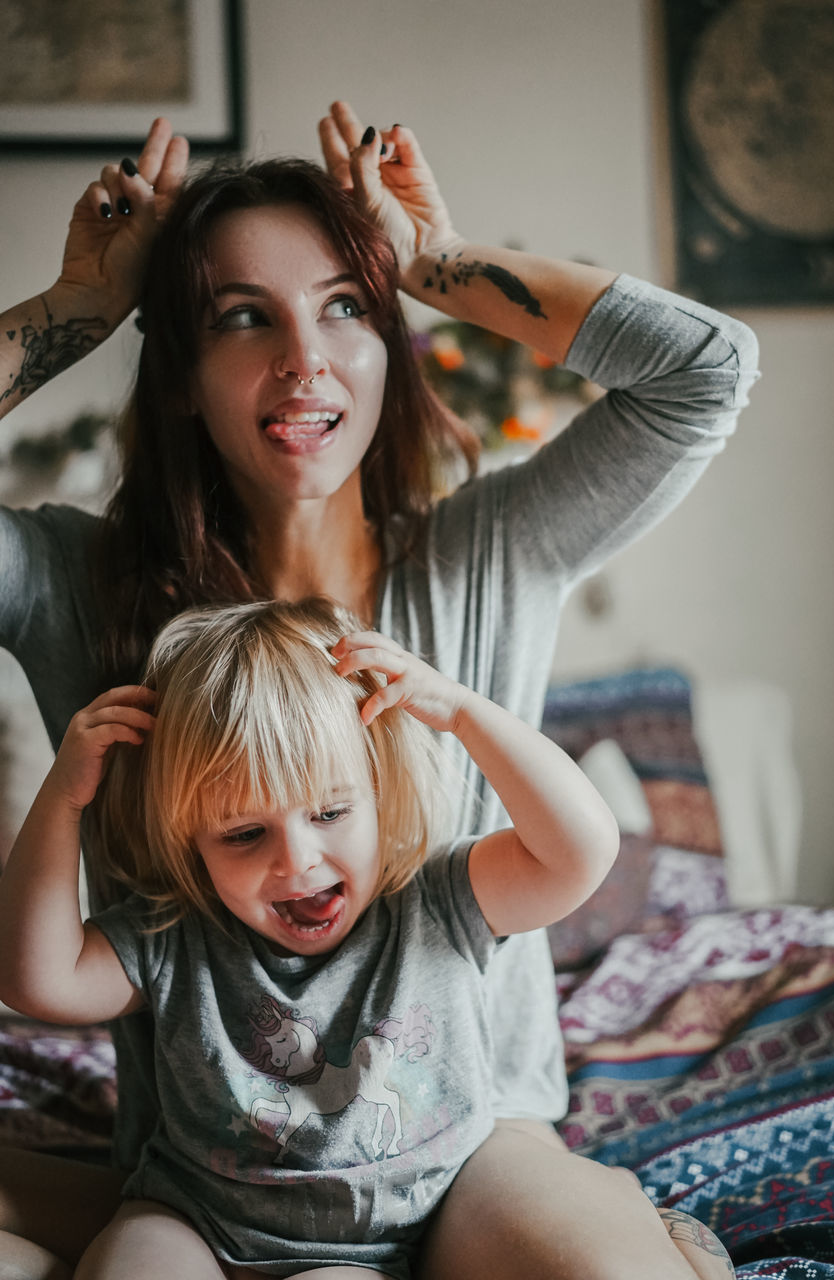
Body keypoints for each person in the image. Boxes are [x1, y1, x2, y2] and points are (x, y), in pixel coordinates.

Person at [0, 101, 756, 1279]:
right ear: (184, 371)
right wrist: (81, 309)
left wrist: (429, 264)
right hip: (206, 1179)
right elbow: (47, 971)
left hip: (475, 1141)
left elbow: (706, 368)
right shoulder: (71, 583)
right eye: (242, 318)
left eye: (344, 307)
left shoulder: (488, 552)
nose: (304, 360)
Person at [0, 593, 625, 1279]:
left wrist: (463, 714)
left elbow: (580, 852)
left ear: (379, 789)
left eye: (329, 811)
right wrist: (65, 797)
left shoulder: (437, 899)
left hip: (375, 1246)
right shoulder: (178, 933)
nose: (295, 859)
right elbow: (37, 979)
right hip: (196, 1218)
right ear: (191, 842)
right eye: (243, 833)